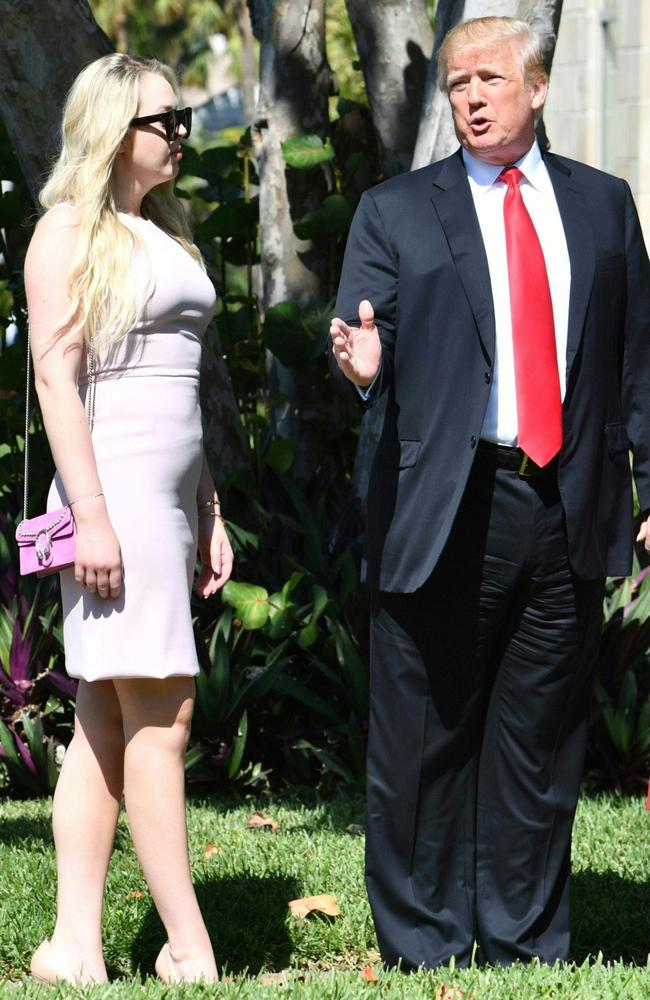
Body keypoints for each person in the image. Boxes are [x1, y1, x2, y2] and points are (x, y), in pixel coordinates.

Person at [330, 15, 650, 970]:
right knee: (425, 742)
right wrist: (366, 362)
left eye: (489, 79)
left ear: (538, 87)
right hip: (447, 501)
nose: (468, 96)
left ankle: (524, 943)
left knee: (540, 744)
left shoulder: (603, 205)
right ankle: (424, 945)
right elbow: (359, 334)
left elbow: (637, 363)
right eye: (457, 83)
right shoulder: (397, 208)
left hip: (568, 501)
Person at [24, 53, 233, 985]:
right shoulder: (66, 231)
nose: (180, 137)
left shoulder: (164, 234)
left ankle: (74, 944)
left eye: (183, 119)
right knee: (163, 715)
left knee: (109, 721)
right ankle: (188, 947)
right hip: (113, 504)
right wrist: (96, 519)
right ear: (113, 130)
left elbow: (178, 395)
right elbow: (54, 381)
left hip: (165, 509)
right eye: (163, 122)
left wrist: (210, 509)